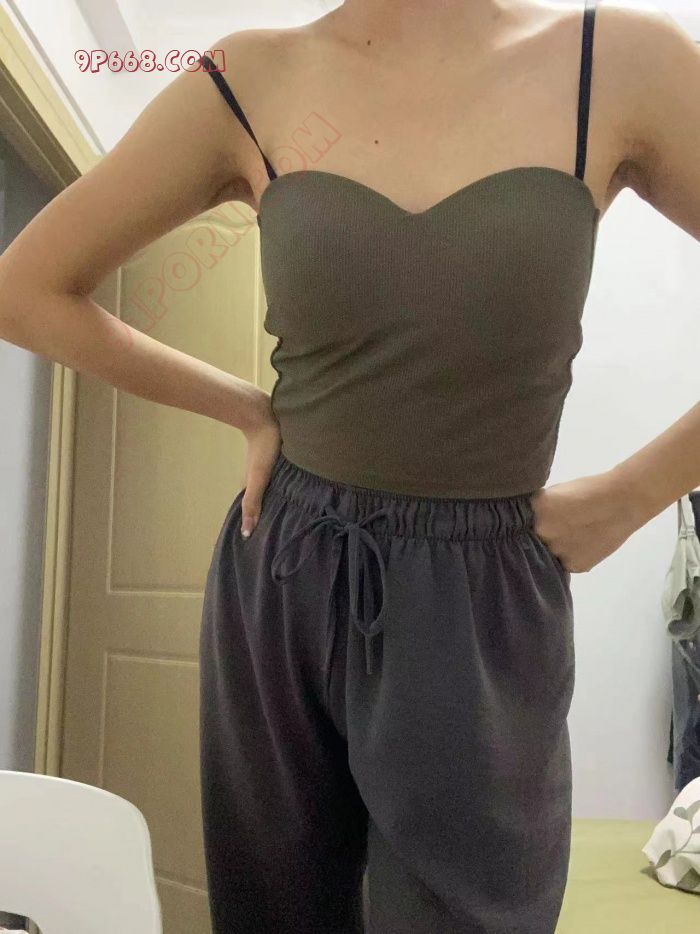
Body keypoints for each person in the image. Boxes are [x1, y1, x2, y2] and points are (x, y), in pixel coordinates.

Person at [1, 1, 700, 931]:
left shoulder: (618, 62)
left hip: (484, 598)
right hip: (284, 568)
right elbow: (27, 289)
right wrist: (243, 405)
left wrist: (633, 494)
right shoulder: (249, 78)